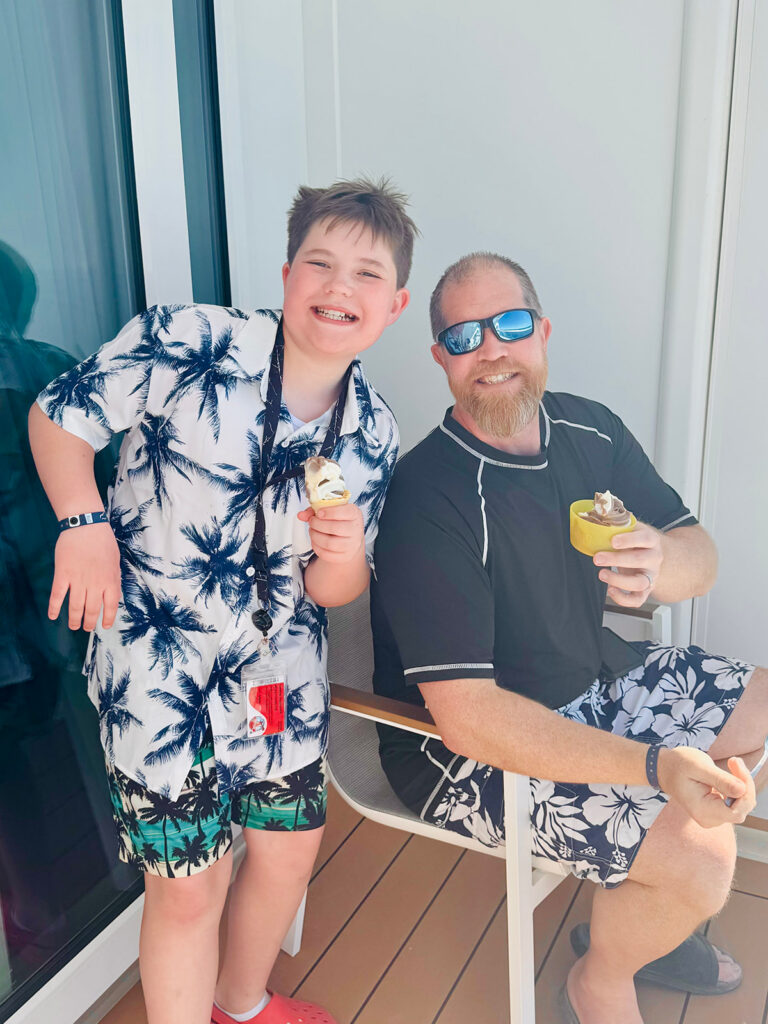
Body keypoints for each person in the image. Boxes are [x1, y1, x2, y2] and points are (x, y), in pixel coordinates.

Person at [28, 178, 415, 1024]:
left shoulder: (374, 432)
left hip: (277, 661)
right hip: (154, 653)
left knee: (286, 847)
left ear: (394, 305)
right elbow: (60, 416)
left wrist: (344, 558)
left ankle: (240, 1004)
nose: (338, 288)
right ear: (285, 276)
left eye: (365, 275)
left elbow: (334, 590)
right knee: (190, 886)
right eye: (320, 262)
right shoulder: (189, 340)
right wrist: (82, 519)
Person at [369, 251, 767, 1024]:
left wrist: (660, 565)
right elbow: (470, 718)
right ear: (440, 360)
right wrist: (654, 767)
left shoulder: (591, 429)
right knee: (706, 855)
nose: (492, 350)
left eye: (510, 324)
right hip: (465, 751)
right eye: (464, 336)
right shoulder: (429, 498)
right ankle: (604, 978)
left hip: (594, 674)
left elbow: (700, 554)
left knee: (764, 703)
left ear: (542, 331)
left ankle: (650, 919)